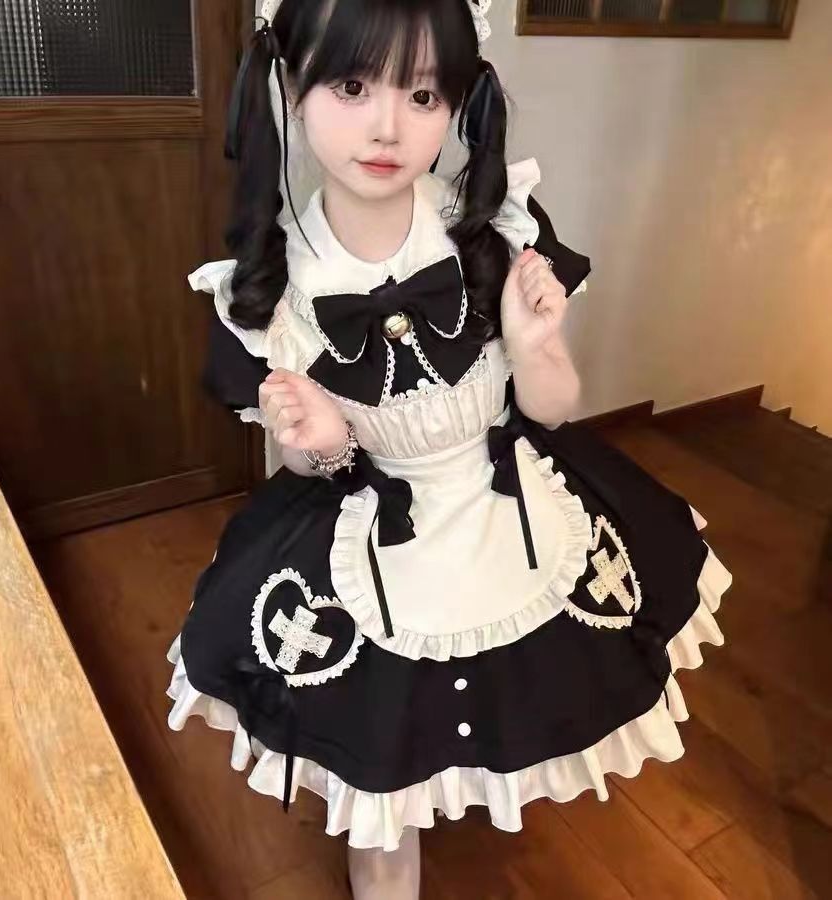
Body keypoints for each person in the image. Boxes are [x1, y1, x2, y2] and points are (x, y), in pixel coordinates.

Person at [165, 1, 733, 897]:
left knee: (516, 694)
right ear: (292, 84)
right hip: (370, 525)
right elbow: (319, 466)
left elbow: (552, 408)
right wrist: (322, 442)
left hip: (510, 497)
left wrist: (537, 348)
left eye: (424, 95)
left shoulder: (495, 227)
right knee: (381, 759)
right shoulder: (274, 285)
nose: (387, 127)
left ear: (459, 102)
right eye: (352, 86)